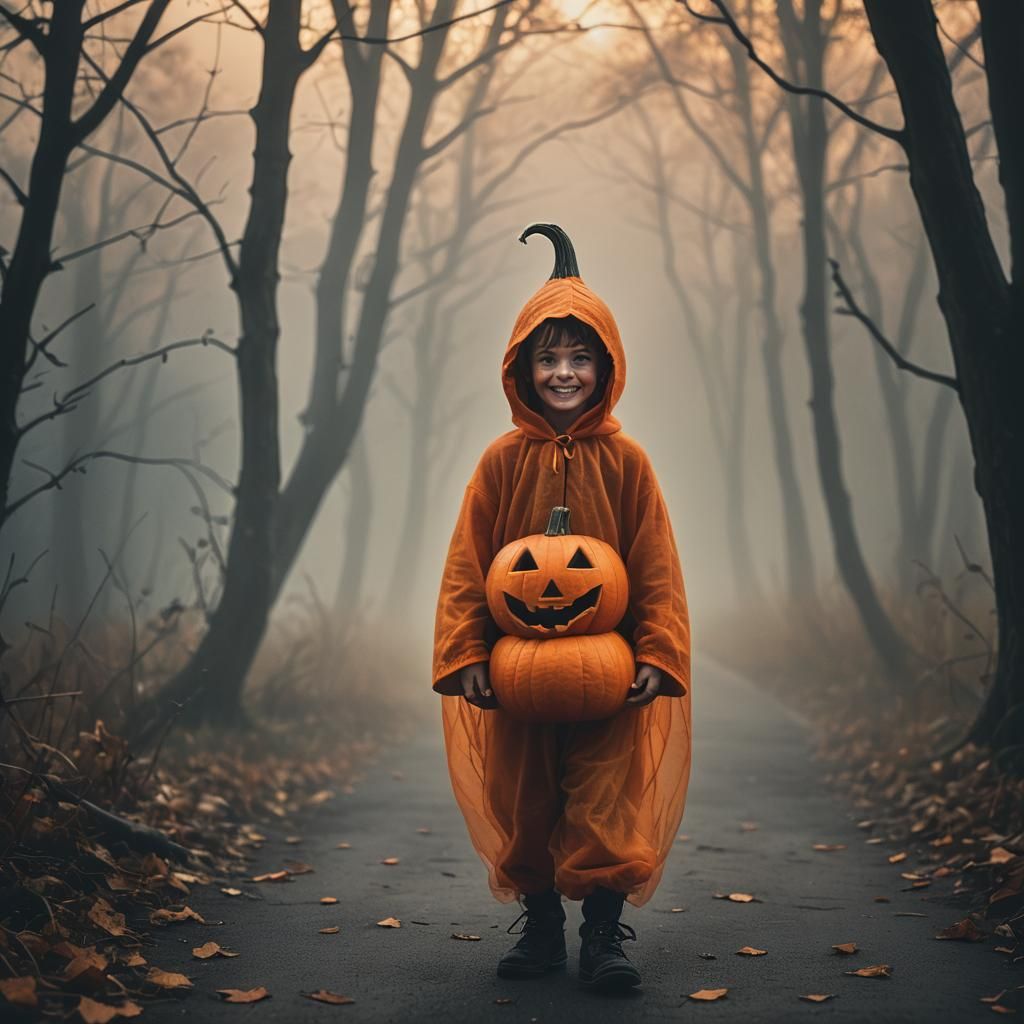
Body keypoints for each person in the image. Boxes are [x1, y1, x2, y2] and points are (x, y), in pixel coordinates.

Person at [432, 223, 692, 991]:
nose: (564, 373)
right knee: (525, 802)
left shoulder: (627, 462)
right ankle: (542, 927)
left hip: (612, 675)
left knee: (608, 799)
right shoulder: (500, 462)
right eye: (548, 359)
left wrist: (659, 651)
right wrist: (465, 652)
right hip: (514, 675)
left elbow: (655, 565)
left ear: (606, 367)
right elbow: (467, 566)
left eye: (580, 358)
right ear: (522, 367)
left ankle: (603, 935)